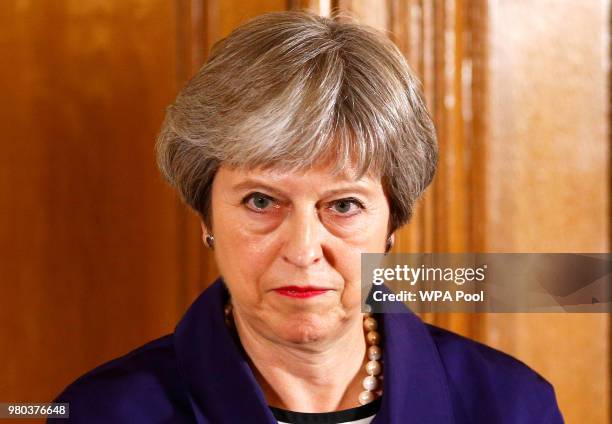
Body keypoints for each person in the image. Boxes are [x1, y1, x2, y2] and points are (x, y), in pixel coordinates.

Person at [49, 11, 564, 424]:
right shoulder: (97, 412)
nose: (302, 250)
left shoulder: (513, 405)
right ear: (205, 214)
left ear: (392, 224)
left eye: (342, 205)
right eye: (260, 201)